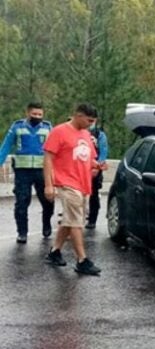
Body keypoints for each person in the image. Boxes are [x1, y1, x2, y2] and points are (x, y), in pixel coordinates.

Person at [43, 104, 105, 276]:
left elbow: (88, 158)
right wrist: (49, 185)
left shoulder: (86, 134)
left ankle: (55, 252)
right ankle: (82, 260)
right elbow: (48, 159)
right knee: (76, 222)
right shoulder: (59, 131)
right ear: (78, 115)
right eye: (89, 120)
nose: (91, 124)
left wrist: (98, 165)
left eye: (93, 122)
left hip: (83, 183)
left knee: (70, 220)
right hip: (66, 182)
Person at [0, 102, 54, 244]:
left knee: (48, 200)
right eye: (34, 114)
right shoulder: (17, 127)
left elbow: (56, 150)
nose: (37, 116)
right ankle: (22, 232)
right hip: (22, 171)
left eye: (40, 114)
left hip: (42, 171)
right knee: (22, 202)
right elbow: (6, 146)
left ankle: (46, 223)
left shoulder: (48, 128)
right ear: (28, 113)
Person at [85, 121, 109, 229]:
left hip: (94, 168)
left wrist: (97, 167)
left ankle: (92, 219)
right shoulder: (76, 131)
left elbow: (103, 151)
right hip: (78, 167)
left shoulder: (99, 134)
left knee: (93, 194)